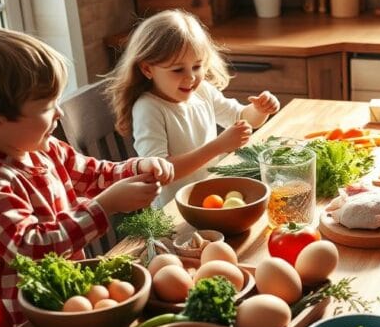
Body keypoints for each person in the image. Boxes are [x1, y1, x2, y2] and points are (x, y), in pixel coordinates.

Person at [0, 27, 174, 321]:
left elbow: (91, 173)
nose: (59, 113)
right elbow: (32, 248)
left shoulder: (39, 147)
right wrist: (105, 206)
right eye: (47, 107)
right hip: (23, 326)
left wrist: (138, 167)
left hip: (65, 303)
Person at [106, 10, 280, 207]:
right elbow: (160, 172)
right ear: (147, 69)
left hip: (212, 200)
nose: (191, 77)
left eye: (197, 66)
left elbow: (240, 117)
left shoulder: (202, 91)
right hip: (175, 211)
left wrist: (260, 110)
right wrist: (217, 147)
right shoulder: (148, 109)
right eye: (178, 70)